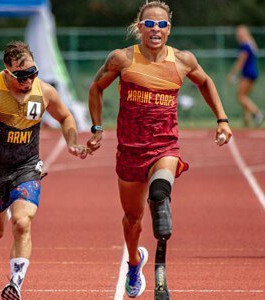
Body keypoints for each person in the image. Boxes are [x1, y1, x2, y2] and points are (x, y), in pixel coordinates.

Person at [87, 1, 232, 298]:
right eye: (149, 24)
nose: (155, 29)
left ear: (169, 29)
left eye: (161, 24)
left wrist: (222, 119)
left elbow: (205, 83)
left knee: (159, 196)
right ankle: (134, 261)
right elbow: (95, 88)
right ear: (139, 27)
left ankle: (162, 270)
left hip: (164, 145)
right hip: (129, 148)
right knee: (132, 219)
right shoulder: (121, 59)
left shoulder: (183, 60)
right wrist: (98, 127)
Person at [0, 41, 89, 300]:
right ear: (7, 73)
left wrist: (71, 143)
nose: (28, 80)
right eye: (21, 75)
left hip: (26, 166)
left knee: (23, 223)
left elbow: (66, 117)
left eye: (32, 72)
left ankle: (15, 284)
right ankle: (4, 206)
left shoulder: (44, 91)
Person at [228, 25, 263, 127]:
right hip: (252, 73)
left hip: (248, 73)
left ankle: (258, 113)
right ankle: (246, 120)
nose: (238, 36)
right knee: (245, 97)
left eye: (239, 34)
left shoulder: (245, 46)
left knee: (241, 97)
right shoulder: (251, 44)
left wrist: (232, 74)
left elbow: (240, 62)